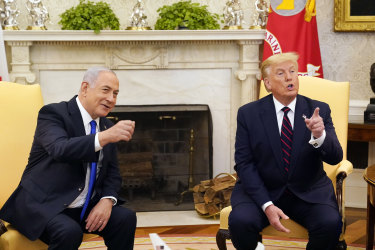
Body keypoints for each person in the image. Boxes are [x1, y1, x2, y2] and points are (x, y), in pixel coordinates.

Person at [0, 67, 137, 250]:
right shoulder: (53, 114)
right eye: (106, 90)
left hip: (82, 206)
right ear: (85, 88)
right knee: (69, 232)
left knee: (125, 219)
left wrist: (107, 200)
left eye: (115, 93)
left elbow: (112, 173)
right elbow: (60, 149)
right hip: (44, 204)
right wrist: (105, 137)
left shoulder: (106, 125)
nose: (111, 99)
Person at [229, 52, 343, 250]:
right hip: (262, 191)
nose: (289, 77)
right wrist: (266, 204)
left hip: (308, 191)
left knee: (330, 223)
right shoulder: (248, 114)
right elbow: (244, 163)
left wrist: (319, 135)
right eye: (280, 73)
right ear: (268, 83)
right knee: (240, 222)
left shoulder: (318, 110)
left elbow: (335, 158)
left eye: (292, 71)